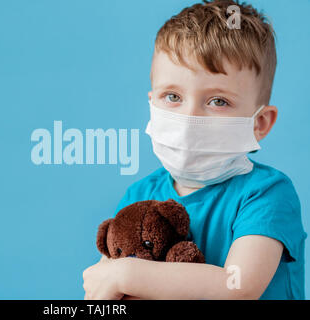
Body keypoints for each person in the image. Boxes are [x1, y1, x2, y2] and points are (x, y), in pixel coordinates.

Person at [82, 0, 307, 300]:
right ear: (151, 102)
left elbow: (237, 287)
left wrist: (126, 274)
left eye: (218, 101)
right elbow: (102, 287)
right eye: (172, 96)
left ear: (260, 123)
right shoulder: (138, 196)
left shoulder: (266, 194)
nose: (190, 119)